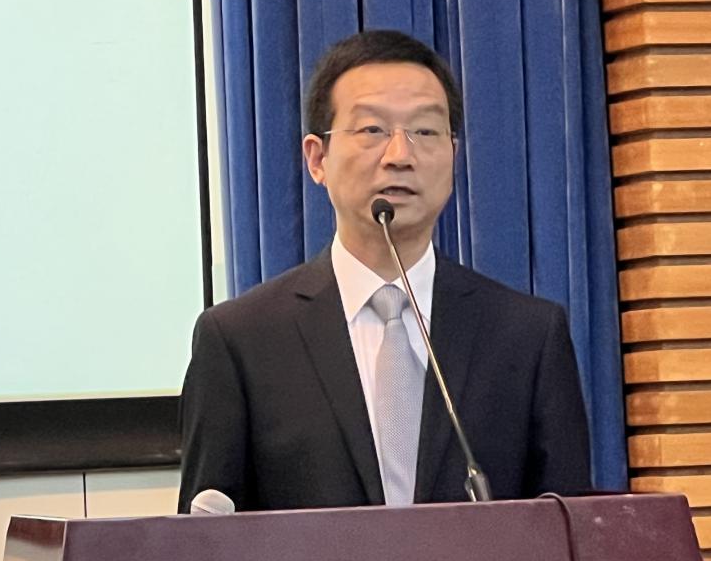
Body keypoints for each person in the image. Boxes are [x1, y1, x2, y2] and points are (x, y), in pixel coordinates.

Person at [177, 30, 590, 512]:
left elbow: (570, 530)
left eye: (426, 131)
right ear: (317, 159)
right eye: (372, 130)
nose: (400, 155)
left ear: (454, 154)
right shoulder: (241, 341)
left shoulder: (527, 336)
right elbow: (205, 538)